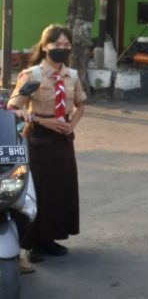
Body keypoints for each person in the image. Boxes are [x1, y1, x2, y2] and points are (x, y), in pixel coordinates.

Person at [9, 24, 86, 263]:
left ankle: (50, 239)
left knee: (59, 190)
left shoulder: (72, 75)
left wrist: (72, 125)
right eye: (56, 44)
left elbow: (81, 105)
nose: (62, 48)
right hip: (38, 139)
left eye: (66, 44)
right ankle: (32, 244)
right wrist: (43, 121)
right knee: (37, 192)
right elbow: (14, 107)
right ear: (44, 47)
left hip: (63, 140)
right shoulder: (32, 75)